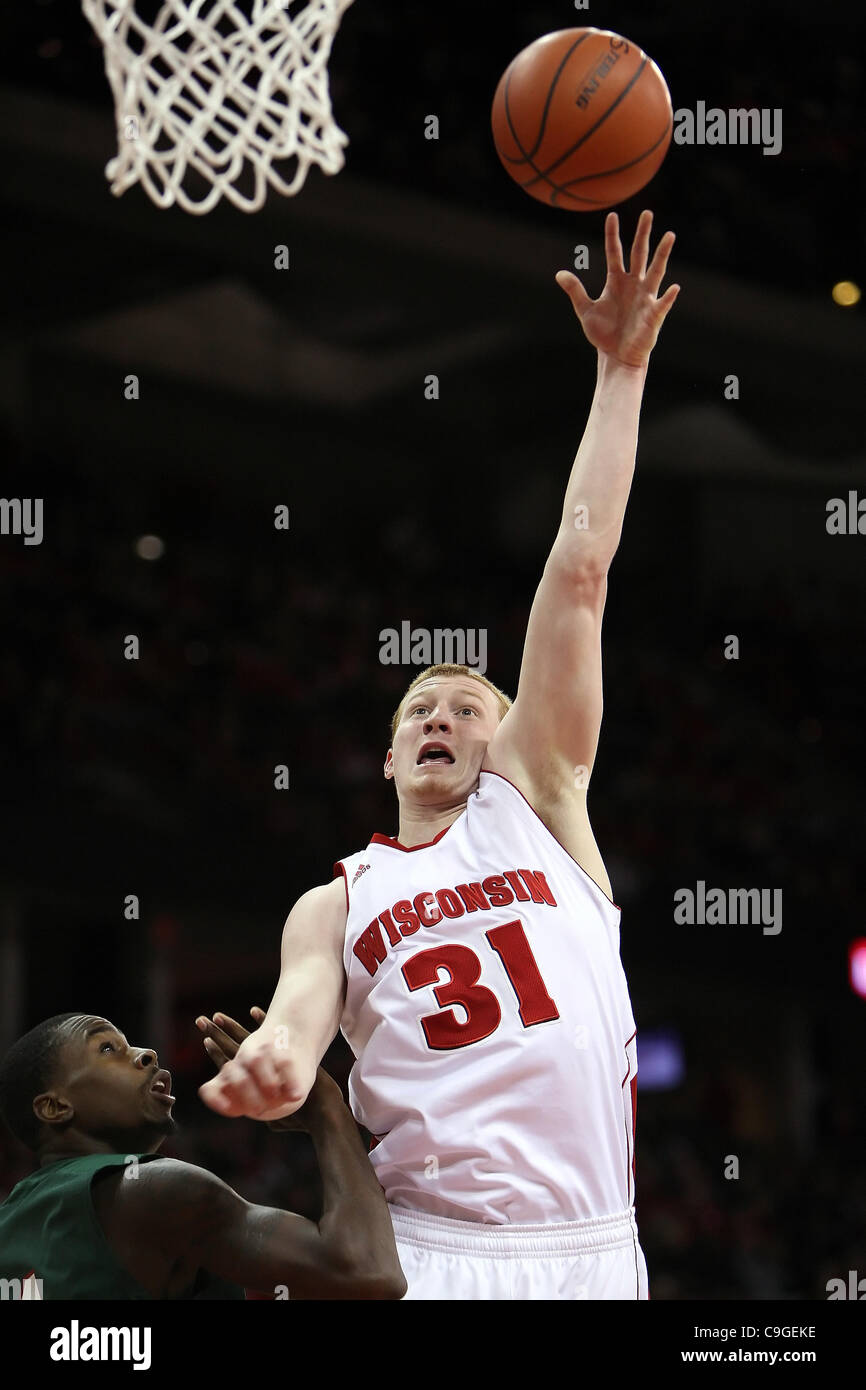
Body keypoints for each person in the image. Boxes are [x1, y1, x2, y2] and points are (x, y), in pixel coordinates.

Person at [200, 210, 680, 1299]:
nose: (442, 720)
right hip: (428, 1248)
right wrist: (276, 1065)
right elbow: (296, 1019)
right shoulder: (338, 899)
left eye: (469, 708)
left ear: (505, 739)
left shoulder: (540, 798)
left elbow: (578, 566)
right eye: (421, 706)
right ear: (385, 754)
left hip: (594, 1245)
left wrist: (619, 371)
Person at [0, 1007, 406, 1299]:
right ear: (54, 1107)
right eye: (107, 1049)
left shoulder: (13, 1221)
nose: (146, 1054)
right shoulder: (154, 1190)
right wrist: (327, 1111)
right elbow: (369, 1274)